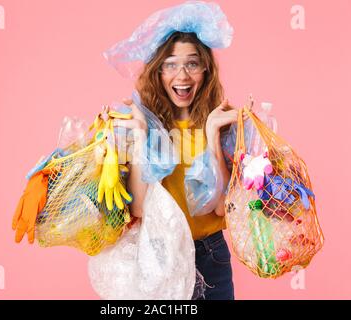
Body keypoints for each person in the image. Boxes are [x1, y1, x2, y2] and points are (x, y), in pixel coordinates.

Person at [104, 1, 249, 300]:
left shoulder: (221, 122)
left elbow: (222, 208)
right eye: (170, 64)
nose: (181, 75)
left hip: (210, 254)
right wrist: (142, 136)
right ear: (158, 72)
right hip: (159, 254)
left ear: (205, 69)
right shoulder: (138, 123)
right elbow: (141, 209)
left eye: (192, 63)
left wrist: (211, 135)